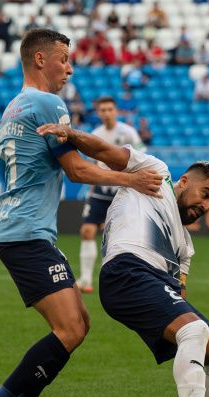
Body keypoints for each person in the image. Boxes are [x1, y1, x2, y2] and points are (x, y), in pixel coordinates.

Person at [0, 28, 162, 397]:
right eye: (64, 59)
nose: (70, 67)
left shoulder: (14, 107)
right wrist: (133, 180)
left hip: (24, 230)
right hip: (26, 232)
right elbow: (76, 170)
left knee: (80, 324)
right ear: (40, 60)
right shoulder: (47, 103)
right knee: (70, 327)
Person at [37, 123, 209, 397]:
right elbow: (108, 153)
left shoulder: (186, 246)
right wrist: (71, 133)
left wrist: (205, 343)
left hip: (153, 285)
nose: (206, 206)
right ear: (183, 182)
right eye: (205, 194)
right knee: (195, 330)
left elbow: (179, 294)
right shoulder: (156, 174)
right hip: (126, 271)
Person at [77, 96, 146, 294]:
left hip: (122, 191)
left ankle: (130, 280)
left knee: (124, 238)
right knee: (87, 231)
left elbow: (142, 157)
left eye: (110, 109)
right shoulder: (95, 134)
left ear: (116, 111)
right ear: (98, 113)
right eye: (103, 110)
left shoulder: (128, 132)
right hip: (100, 190)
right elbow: (91, 164)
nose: (106, 113)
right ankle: (86, 279)